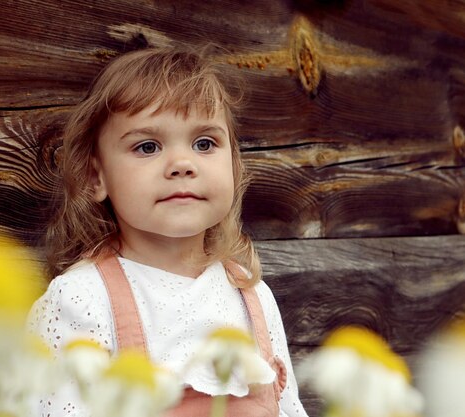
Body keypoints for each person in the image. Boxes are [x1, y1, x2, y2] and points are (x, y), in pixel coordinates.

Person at [27, 46, 308, 417]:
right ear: (97, 176)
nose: (181, 164)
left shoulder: (251, 295)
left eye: (204, 143)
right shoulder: (81, 301)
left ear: (234, 165)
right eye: (148, 146)